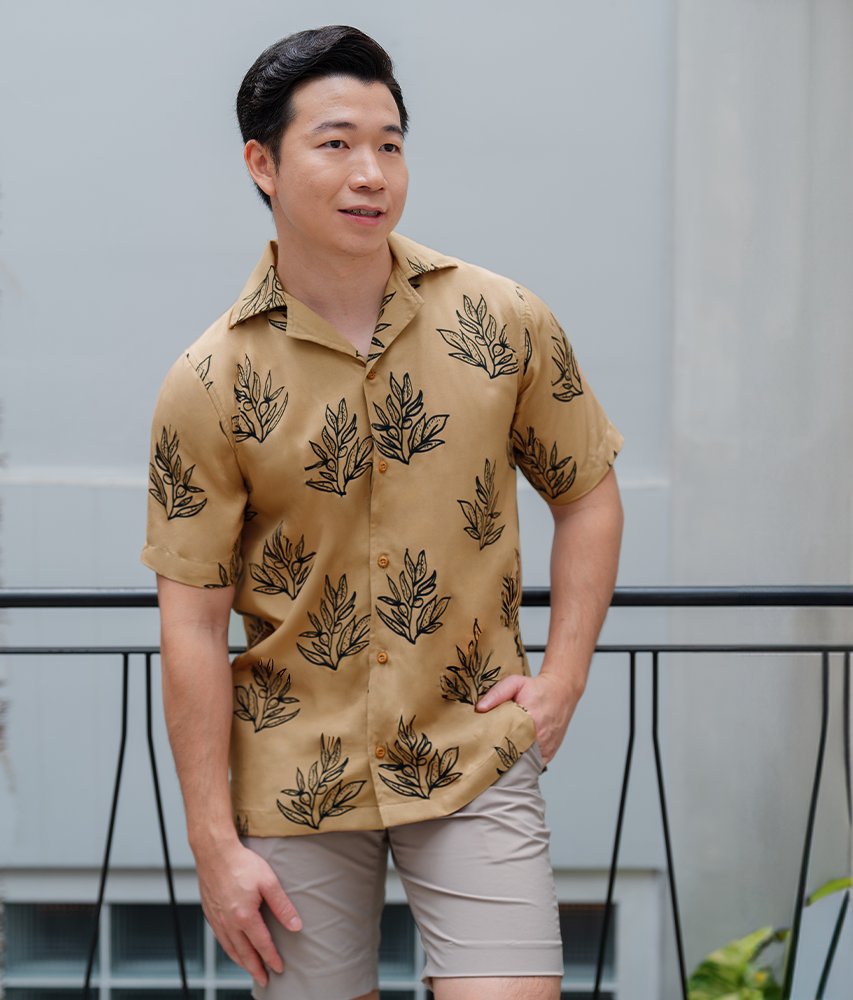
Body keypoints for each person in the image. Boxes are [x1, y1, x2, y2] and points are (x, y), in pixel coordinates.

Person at [142, 25, 624, 1000]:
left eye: (390, 143)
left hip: (473, 751)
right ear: (261, 164)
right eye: (335, 143)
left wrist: (561, 677)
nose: (371, 171)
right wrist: (212, 843)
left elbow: (588, 495)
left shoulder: (502, 319)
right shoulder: (209, 380)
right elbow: (190, 623)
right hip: (292, 772)